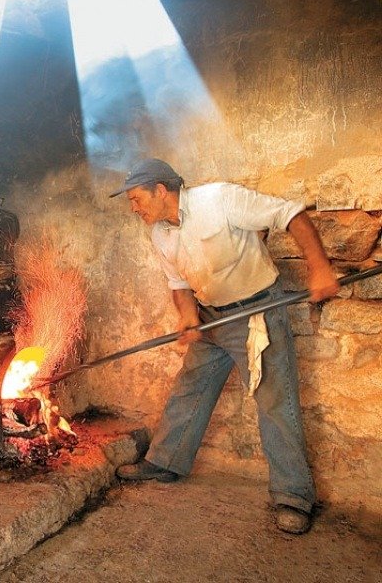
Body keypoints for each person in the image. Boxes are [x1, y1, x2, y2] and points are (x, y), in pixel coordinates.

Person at [111, 158, 339, 535]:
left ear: (161, 190)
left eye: (136, 199)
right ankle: (165, 461)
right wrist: (188, 316)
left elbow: (291, 215)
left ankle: (294, 495)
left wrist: (320, 268)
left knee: (274, 401)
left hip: (255, 312)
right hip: (211, 317)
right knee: (190, 387)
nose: (133, 208)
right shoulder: (160, 233)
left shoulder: (219, 199)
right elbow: (179, 284)